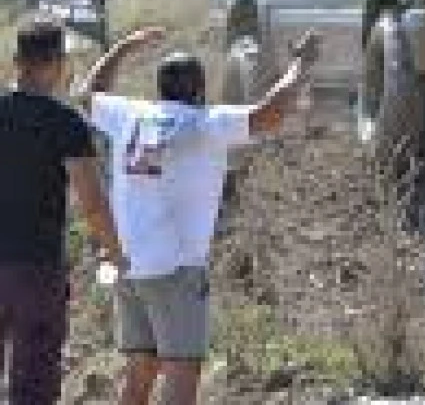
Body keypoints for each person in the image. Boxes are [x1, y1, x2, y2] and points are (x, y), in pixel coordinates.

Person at [77, 30, 320, 405]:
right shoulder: (207, 123)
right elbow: (270, 113)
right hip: (176, 270)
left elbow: (89, 94)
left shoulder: (130, 116)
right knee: (181, 374)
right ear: (201, 91)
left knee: (140, 373)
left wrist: (123, 48)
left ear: (160, 90)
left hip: (129, 265)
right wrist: (299, 66)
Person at [1, 17, 125, 405]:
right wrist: (116, 252)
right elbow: (92, 203)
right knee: (34, 384)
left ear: (17, 61)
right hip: (36, 269)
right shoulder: (66, 122)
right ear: (58, 63)